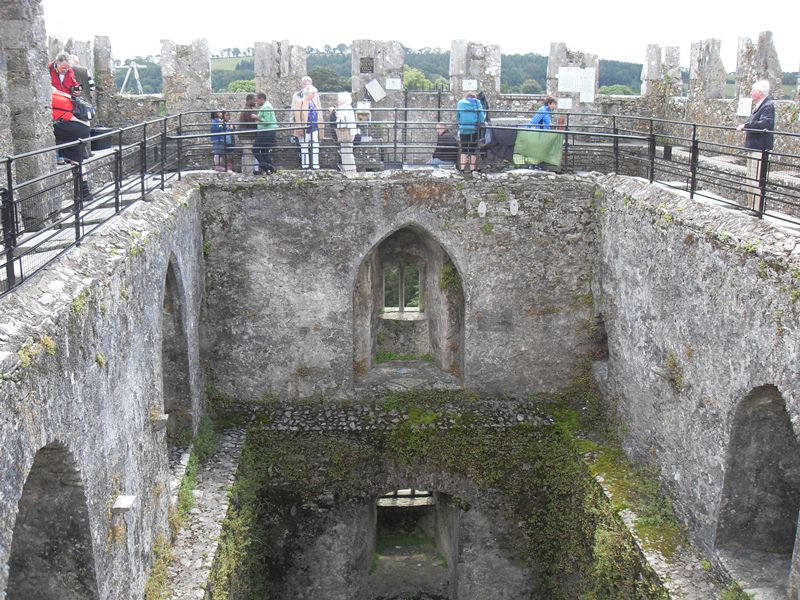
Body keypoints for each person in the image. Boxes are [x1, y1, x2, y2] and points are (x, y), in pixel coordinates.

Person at [737, 80, 775, 209]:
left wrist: (746, 126)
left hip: (759, 147)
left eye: (753, 91)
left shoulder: (767, 106)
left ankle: (756, 208)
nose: (751, 93)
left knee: (755, 179)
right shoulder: (761, 105)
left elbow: (765, 124)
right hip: (754, 146)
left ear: (759, 92)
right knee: (750, 179)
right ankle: (751, 206)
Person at [51, 87, 93, 200]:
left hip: (74, 127)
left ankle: (58, 158)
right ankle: (85, 193)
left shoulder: (50, 97)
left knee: (47, 132)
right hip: (84, 128)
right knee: (77, 161)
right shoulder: (64, 96)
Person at [456, 92, 486, 173]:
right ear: (474, 97)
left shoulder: (460, 103)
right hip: (474, 129)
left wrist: (460, 124)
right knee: (473, 150)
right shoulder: (477, 103)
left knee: (464, 149)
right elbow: (481, 116)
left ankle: (462, 169)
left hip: (463, 129)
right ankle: (472, 170)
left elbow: (457, 115)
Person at [252, 92, 277, 174]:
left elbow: (267, 121)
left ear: (261, 99)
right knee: (264, 151)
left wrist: (256, 117)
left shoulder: (266, 107)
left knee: (255, 149)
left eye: (257, 100)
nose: (256, 102)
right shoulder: (266, 106)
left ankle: (265, 166)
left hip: (267, 131)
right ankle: (270, 168)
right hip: (267, 131)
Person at [335, 91, 359, 174]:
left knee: (347, 151)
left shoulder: (346, 108)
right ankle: (348, 169)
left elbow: (344, 119)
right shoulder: (346, 107)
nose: (338, 101)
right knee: (345, 151)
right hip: (348, 131)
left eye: (339, 99)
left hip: (347, 132)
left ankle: (350, 170)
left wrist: (337, 114)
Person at [237, 93, 260, 174]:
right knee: (249, 154)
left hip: (245, 135)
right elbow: (253, 124)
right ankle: (249, 173)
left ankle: (245, 172)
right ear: (249, 100)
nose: (255, 102)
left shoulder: (246, 109)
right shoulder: (248, 111)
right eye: (254, 100)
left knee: (246, 154)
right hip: (247, 136)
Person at [300, 85, 320, 170]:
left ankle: (315, 165)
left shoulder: (313, 101)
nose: (314, 95)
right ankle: (305, 165)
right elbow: (298, 116)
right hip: (305, 127)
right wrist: (300, 128)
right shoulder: (301, 101)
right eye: (312, 93)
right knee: (304, 146)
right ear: (308, 93)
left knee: (315, 146)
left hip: (314, 126)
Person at [291, 75, 313, 141]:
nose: (307, 86)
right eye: (305, 84)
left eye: (309, 85)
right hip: (301, 121)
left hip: (311, 122)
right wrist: (292, 120)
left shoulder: (314, 95)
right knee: (301, 142)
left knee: (313, 142)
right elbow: (293, 109)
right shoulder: (297, 95)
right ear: (302, 85)